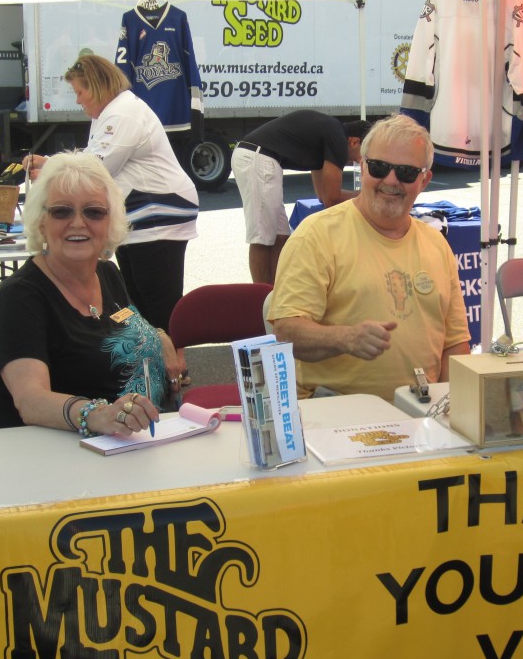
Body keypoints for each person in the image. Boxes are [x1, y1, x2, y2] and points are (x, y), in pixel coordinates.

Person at [268, 113, 470, 403]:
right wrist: (345, 339)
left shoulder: (436, 244)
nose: (390, 180)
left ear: (424, 181)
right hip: (337, 413)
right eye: (379, 167)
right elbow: (285, 333)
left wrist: (453, 408)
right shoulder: (317, 234)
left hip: (423, 411)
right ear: (361, 168)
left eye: (406, 172)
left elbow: (455, 345)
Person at [0, 152, 185, 432]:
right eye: (62, 211)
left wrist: (159, 337)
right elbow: (30, 399)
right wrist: (96, 415)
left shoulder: (107, 274)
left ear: (109, 221)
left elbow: (126, 322)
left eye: (93, 212)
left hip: (127, 443)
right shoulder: (18, 298)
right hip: (52, 454)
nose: (78, 222)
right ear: (41, 221)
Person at [25, 54, 200, 329]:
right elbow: (92, 158)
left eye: (80, 91)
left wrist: (50, 170)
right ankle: (152, 362)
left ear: (96, 86)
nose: (78, 100)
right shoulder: (112, 111)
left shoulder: (122, 113)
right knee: (137, 300)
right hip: (146, 209)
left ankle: (172, 366)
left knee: (156, 304)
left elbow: (97, 169)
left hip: (158, 210)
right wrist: (49, 164)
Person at [231, 109, 371, 284]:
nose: (360, 161)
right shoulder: (337, 139)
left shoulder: (329, 133)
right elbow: (332, 198)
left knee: (281, 237)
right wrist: (368, 196)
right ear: (354, 142)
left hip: (257, 155)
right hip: (258, 157)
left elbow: (323, 196)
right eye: (364, 154)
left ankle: (275, 292)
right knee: (262, 237)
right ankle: (262, 298)